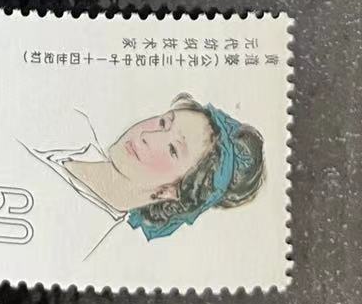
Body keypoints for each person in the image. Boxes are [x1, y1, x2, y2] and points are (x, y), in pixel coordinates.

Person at [28, 93, 265, 247]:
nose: (147, 136)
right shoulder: (73, 122)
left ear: (170, 192)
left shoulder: (81, 239)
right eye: (163, 122)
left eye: (173, 149)